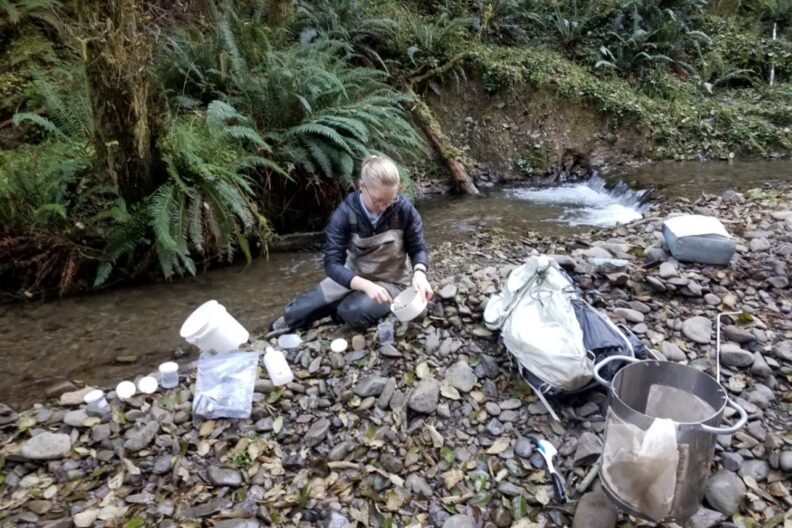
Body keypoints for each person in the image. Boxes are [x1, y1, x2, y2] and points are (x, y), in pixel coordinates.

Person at [271, 155, 433, 331]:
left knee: (352, 312)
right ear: (362, 186)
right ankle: (334, 305)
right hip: (353, 276)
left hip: (391, 281)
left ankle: (345, 308)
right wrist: (365, 285)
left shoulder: (404, 210)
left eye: (391, 199)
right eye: (379, 201)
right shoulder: (345, 214)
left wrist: (419, 273)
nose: (385, 207)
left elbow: (418, 248)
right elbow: (332, 264)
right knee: (295, 313)